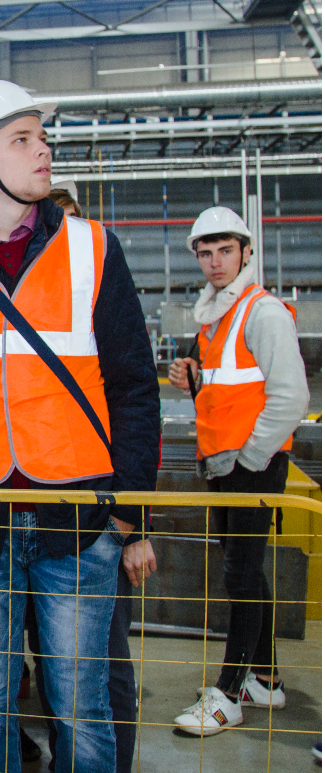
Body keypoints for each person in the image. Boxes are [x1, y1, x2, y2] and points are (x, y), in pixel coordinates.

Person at [0, 80, 160, 773]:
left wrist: (128, 508)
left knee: (79, 699)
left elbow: (135, 384)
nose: (42, 148)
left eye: (41, 136)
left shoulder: (93, 248)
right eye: (22, 138)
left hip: (76, 516)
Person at [24, 187, 158, 773]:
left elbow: (134, 411)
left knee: (102, 669)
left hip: (96, 520)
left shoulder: (100, 305)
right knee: (56, 669)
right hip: (31, 522)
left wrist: (131, 526)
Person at [168, 206, 308, 736]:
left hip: (251, 464)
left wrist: (252, 458)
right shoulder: (218, 315)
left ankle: (228, 694)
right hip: (226, 463)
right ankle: (266, 679)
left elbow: (292, 397)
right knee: (246, 571)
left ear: (247, 252)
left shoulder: (262, 311)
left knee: (239, 576)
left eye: (225, 250)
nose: (214, 262)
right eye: (205, 253)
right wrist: (196, 379)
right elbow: (232, 389)